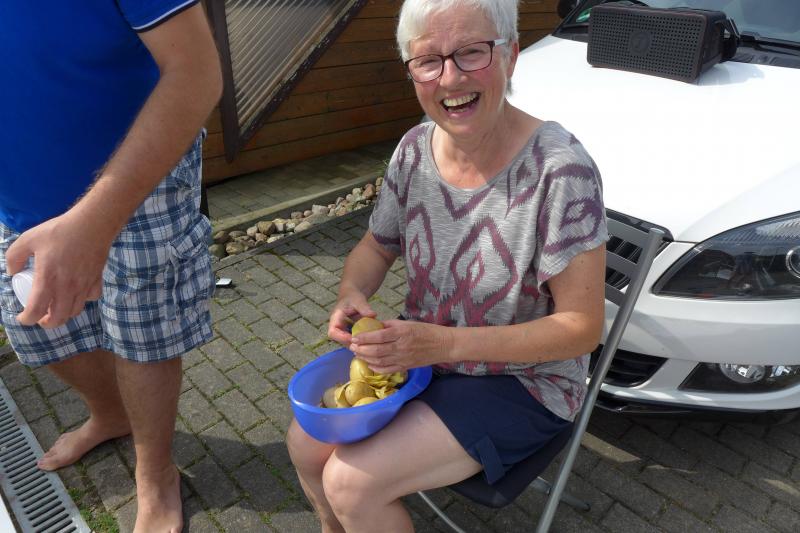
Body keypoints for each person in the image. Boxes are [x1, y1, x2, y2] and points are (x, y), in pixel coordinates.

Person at [286, 0, 609, 531]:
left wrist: (442, 344)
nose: (450, 77)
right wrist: (351, 292)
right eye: (428, 60)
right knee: (305, 443)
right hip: (426, 360)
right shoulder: (415, 148)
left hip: (524, 381)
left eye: (471, 52)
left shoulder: (561, 170)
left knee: (351, 482)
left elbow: (582, 328)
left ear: (511, 55)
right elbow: (376, 246)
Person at [0, 2, 221, 532]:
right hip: (18, 199)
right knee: (34, 328)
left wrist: (93, 224)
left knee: (143, 332)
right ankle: (112, 415)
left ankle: (156, 473)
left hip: (140, 178)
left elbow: (196, 72)